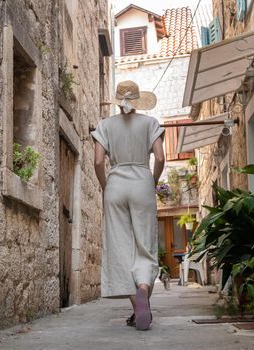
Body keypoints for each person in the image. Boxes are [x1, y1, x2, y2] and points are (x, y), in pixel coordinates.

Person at [91, 80, 165, 331]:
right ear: (137, 101)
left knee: (121, 248)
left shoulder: (105, 126)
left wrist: (105, 186)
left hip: (116, 183)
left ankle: (137, 309)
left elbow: (98, 162)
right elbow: (161, 157)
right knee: (145, 244)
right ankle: (144, 287)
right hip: (142, 181)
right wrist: (152, 182)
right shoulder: (150, 123)